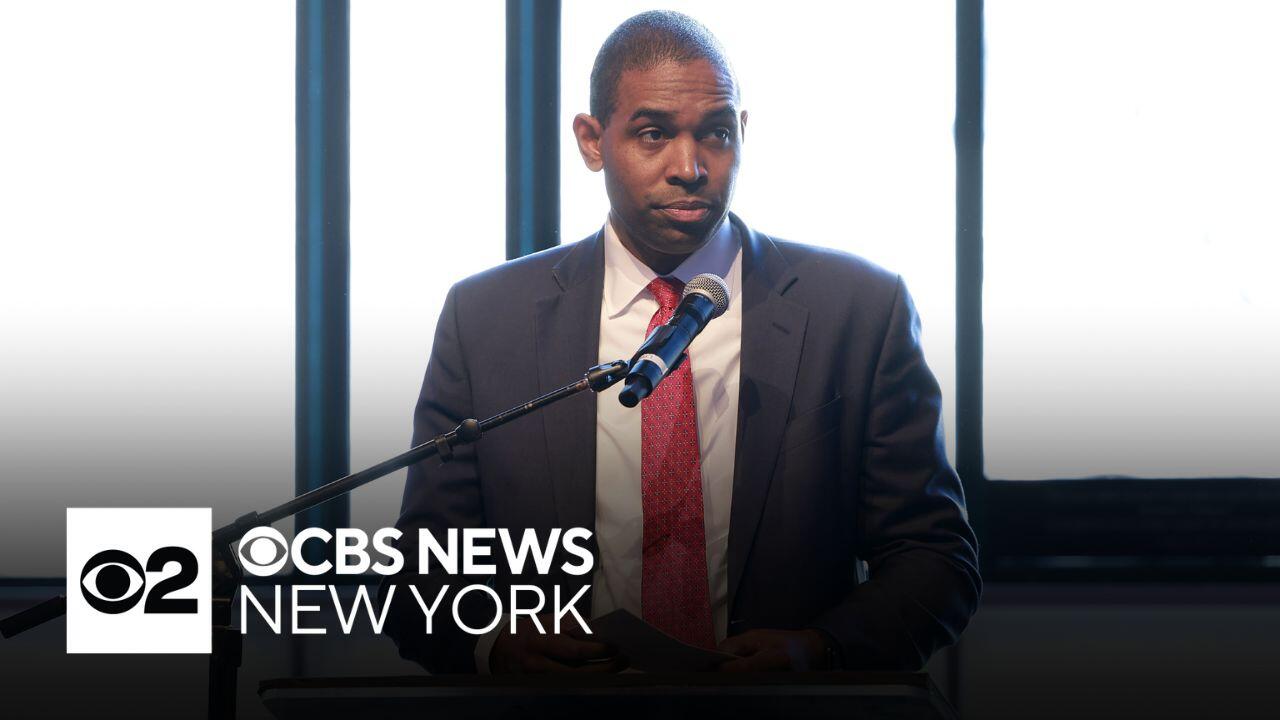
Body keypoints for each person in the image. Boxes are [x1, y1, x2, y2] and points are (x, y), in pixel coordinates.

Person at [381, 10, 980, 675]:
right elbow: (418, 572)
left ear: (743, 133)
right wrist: (494, 646)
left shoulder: (859, 310)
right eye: (654, 134)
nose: (690, 167)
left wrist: (818, 650)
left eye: (717, 133)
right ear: (591, 141)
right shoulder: (487, 319)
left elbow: (936, 560)